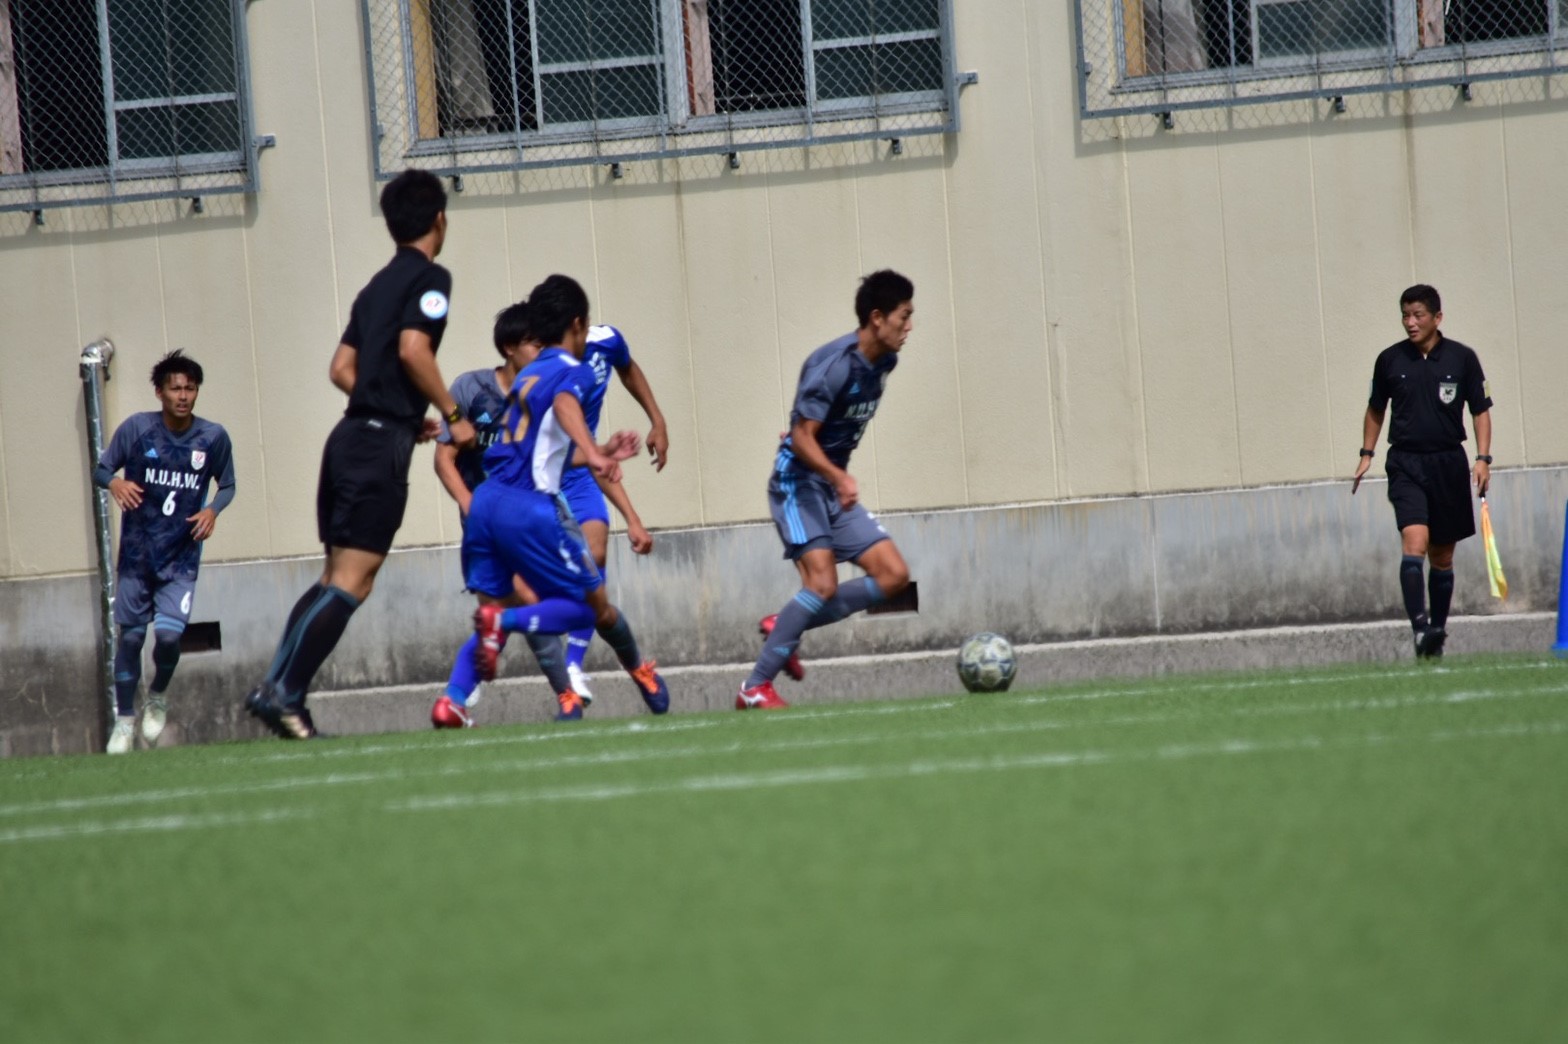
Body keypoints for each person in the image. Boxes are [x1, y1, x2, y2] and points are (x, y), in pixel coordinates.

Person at [244, 169, 477, 739]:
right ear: (439, 219)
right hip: (376, 450)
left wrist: (399, 412)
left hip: (350, 437)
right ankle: (283, 693)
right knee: (353, 580)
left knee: (335, 576)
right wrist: (453, 415)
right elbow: (414, 350)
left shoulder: (374, 288)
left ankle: (279, 689)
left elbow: (341, 369)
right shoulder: (432, 277)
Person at [428, 302, 656, 727]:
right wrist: (468, 505)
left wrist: (600, 452)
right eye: (536, 344)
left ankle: (456, 698)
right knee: (564, 606)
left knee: (516, 609)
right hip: (512, 515)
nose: (544, 351)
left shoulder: (536, 391)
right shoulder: (475, 389)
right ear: (509, 347)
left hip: (500, 513)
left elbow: (555, 456)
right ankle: (571, 689)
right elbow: (444, 457)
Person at [737, 270, 915, 710]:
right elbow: (802, 438)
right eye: (904, 316)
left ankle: (787, 622)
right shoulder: (833, 365)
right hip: (798, 484)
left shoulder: (884, 362)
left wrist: (835, 475)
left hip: (832, 485)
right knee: (821, 584)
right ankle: (754, 688)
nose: (909, 327)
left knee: (894, 576)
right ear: (877, 317)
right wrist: (837, 476)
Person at [93, 350, 236, 753]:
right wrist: (115, 483)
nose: (183, 396)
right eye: (175, 388)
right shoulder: (138, 429)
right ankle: (125, 721)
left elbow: (228, 485)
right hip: (137, 558)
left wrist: (212, 509)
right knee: (132, 640)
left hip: (181, 560)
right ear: (159, 392)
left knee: (170, 637)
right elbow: (102, 469)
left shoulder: (212, 438)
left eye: (190, 388)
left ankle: (157, 695)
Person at [1352, 284, 1492, 660]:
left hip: (1448, 464)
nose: (1410, 323)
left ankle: (1436, 637)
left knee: (1442, 557)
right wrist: (1367, 453)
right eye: (1405, 315)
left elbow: (1480, 410)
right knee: (1414, 542)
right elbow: (1376, 408)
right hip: (1406, 463)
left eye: (1418, 315)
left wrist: (1483, 458)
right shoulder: (1390, 360)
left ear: (1437, 318)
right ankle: (1419, 629)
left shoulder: (1462, 358)